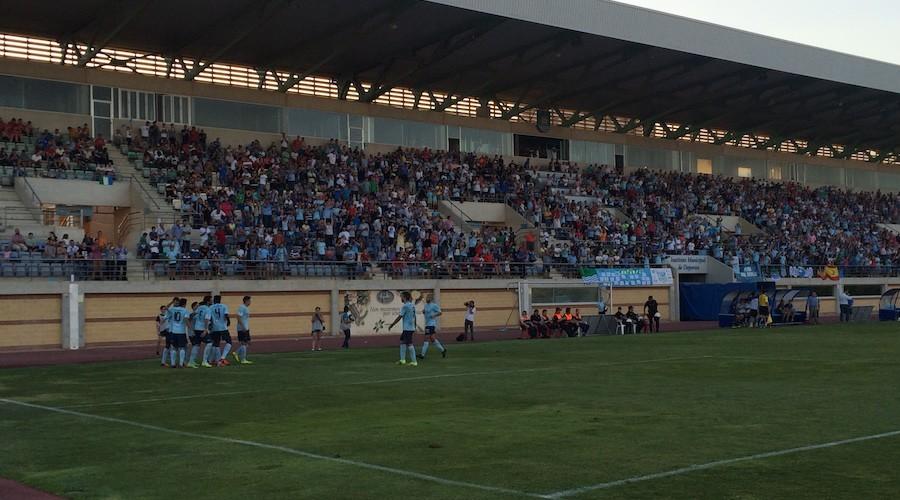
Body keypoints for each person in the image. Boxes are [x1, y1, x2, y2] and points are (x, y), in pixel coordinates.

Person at [389, 291, 418, 366]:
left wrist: (392, 324)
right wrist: (414, 326)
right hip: (410, 328)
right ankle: (402, 360)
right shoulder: (412, 305)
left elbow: (400, 316)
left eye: (401, 297)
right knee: (402, 341)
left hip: (407, 328)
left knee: (409, 344)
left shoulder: (405, 306)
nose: (401, 298)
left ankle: (414, 361)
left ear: (404, 297)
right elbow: (414, 317)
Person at [165, 298, 191, 368]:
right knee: (182, 348)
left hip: (174, 331)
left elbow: (166, 307)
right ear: (184, 304)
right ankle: (181, 363)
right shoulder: (185, 310)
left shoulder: (173, 309)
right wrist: (190, 328)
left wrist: (172, 302)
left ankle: (173, 364)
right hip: (181, 332)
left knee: (174, 348)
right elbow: (186, 319)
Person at [207, 295, 232, 366]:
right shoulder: (224, 306)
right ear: (220, 300)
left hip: (214, 328)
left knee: (216, 343)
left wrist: (210, 325)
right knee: (229, 342)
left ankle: (215, 361)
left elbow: (210, 318)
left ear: (214, 300)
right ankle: (222, 358)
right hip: (223, 327)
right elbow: (226, 315)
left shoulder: (211, 307)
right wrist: (228, 321)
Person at [188, 297, 210, 368]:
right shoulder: (207, 309)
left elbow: (192, 317)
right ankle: (204, 361)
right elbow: (206, 319)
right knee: (209, 343)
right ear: (207, 302)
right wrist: (205, 329)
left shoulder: (198, 309)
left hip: (196, 329)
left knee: (196, 345)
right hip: (201, 329)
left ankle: (191, 362)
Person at [234, 295, 253, 364]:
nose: (250, 302)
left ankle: (237, 353)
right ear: (246, 301)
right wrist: (243, 327)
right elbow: (238, 317)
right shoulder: (242, 307)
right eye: (250, 301)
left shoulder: (246, 308)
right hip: (242, 328)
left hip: (246, 328)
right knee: (244, 343)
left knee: (247, 343)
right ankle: (243, 359)